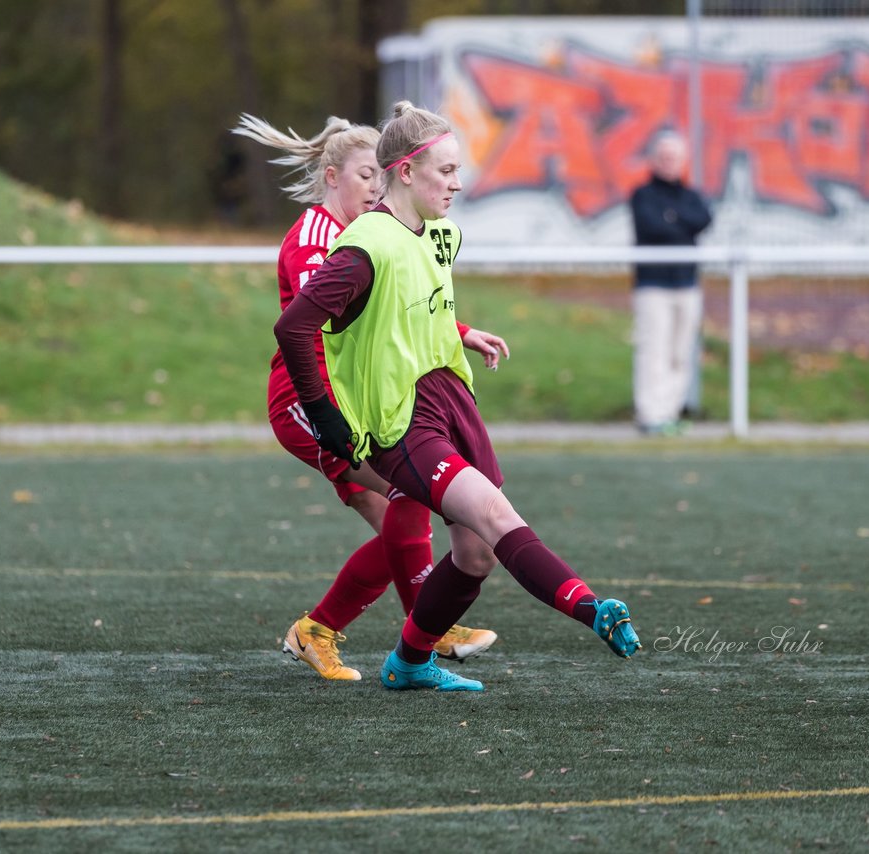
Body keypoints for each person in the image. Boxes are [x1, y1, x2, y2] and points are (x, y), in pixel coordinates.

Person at [274, 101, 642, 692]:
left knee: (475, 554)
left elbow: (413, 308)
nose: (458, 182)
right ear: (406, 171)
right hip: (395, 414)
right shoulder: (364, 242)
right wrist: (325, 414)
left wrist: (462, 334)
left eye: (457, 169)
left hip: (451, 404)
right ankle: (592, 608)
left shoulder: (439, 233)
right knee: (482, 516)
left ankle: (411, 657)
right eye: (445, 170)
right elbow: (296, 327)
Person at [232, 113, 506, 680]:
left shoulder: (379, 231)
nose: (377, 191)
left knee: (407, 508)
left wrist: (458, 332)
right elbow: (328, 325)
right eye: (366, 178)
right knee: (418, 497)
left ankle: (359, 631)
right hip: (310, 402)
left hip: (363, 397)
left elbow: (391, 310)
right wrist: (325, 412)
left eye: (380, 180)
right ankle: (413, 635)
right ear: (333, 177)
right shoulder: (314, 239)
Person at [629, 130, 712, 435]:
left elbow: (702, 220)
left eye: (674, 157)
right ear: (654, 159)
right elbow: (653, 227)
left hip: (686, 284)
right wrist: (678, 223)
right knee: (654, 350)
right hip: (653, 286)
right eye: (663, 156)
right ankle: (651, 415)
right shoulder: (643, 195)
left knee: (680, 351)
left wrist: (672, 219)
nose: (668, 162)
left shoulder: (691, 196)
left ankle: (670, 411)